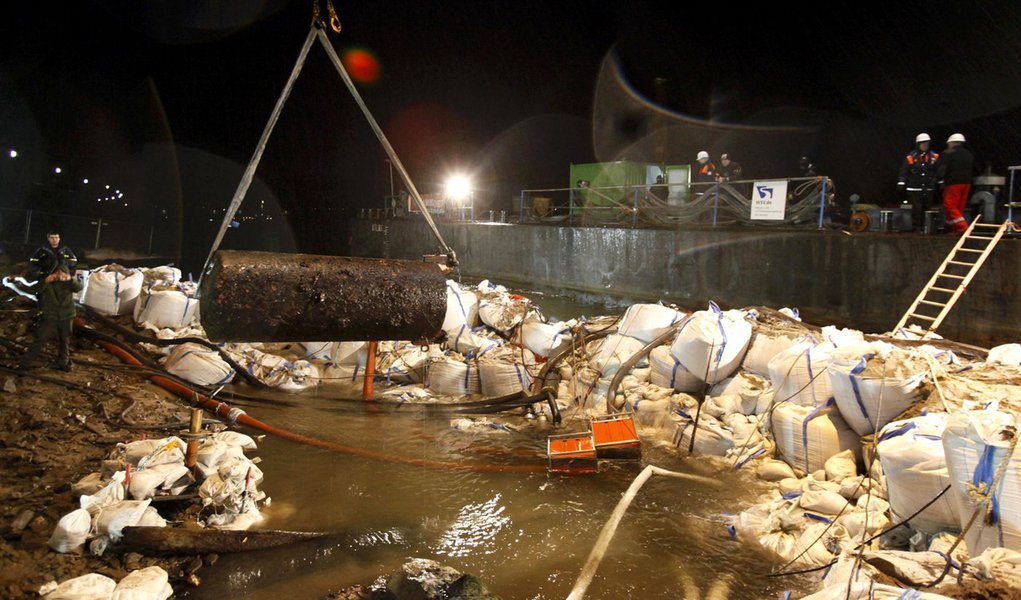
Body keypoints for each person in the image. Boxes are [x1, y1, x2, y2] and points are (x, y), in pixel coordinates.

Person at [17, 265, 82, 373]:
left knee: (65, 340)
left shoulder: (69, 283)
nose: (60, 276)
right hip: (50, 316)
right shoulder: (47, 283)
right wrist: (46, 281)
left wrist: (70, 279)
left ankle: (63, 363)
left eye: (62, 273)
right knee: (40, 339)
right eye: (57, 273)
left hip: (66, 315)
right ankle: (24, 365)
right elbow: (35, 290)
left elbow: (79, 288)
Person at [897, 133, 940, 232]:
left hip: (928, 187)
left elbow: (937, 171)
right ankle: (917, 227)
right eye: (923, 144)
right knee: (917, 208)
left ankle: (928, 227)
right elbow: (904, 170)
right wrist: (901, 182)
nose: (925, 146)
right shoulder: (911, 156)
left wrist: (938, 181)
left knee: (928, 208)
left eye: (926, 143)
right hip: (914, 187)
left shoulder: (934, 156)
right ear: (918, 144)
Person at [936, 133, 974, 234]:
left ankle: (963, 228)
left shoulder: (949, 153)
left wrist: (939, 178)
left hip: (953, 183)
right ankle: (951, 227)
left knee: (949, 205)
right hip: (967, 183)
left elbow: (942, 169)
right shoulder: (968, 154)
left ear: (951, 143)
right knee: (958, 208)